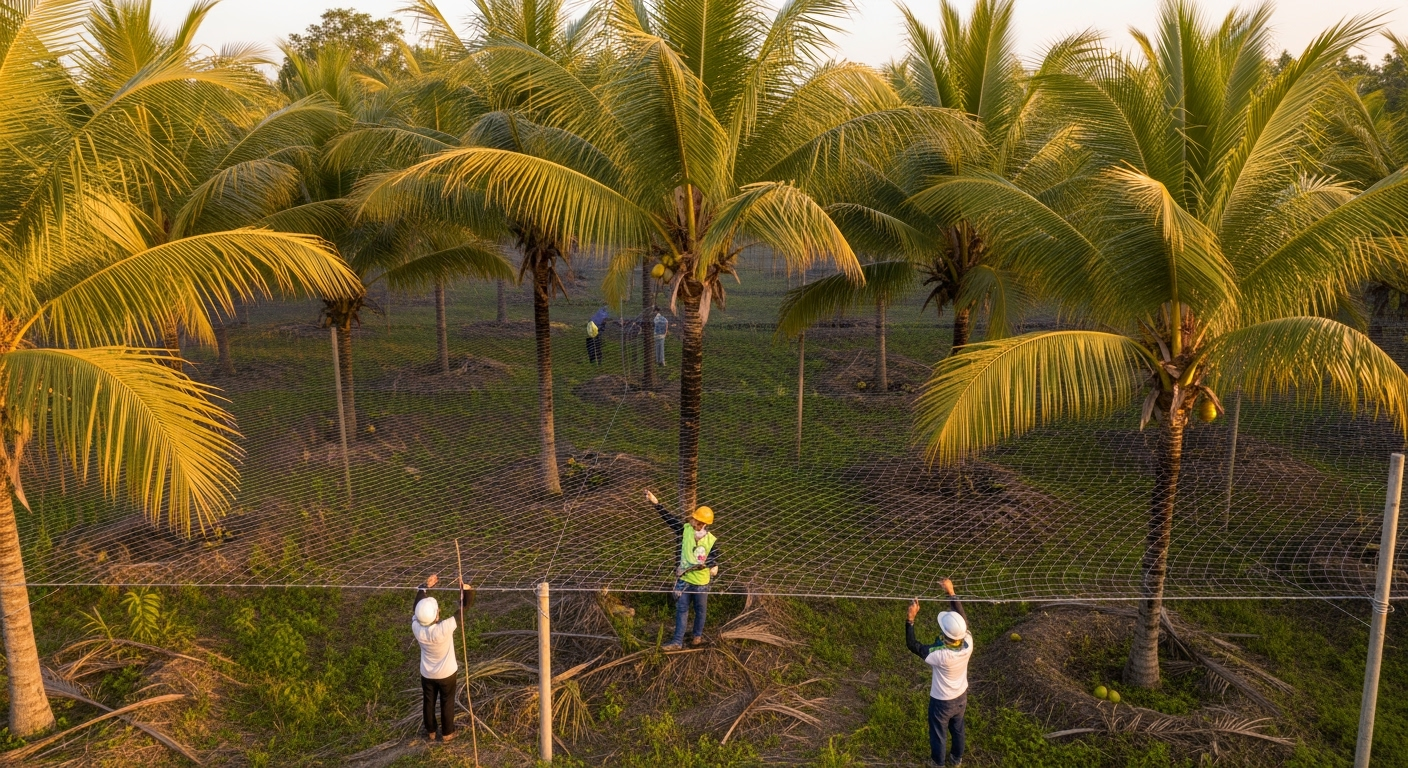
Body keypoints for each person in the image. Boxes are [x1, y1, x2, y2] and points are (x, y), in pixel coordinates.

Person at [906, 577, 972, 767]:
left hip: (942, 702)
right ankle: (956, 759)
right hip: (961, 696)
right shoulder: (968, 643)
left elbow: (913, 645)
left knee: (938, 733)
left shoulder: (940, 655)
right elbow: (963, 620)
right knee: (958, 728)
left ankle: (938, 763)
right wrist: (951, 592)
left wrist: (910, 619)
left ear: (945, 635)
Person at [645, 489, 721, 650]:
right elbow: (669, 519)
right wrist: (656, 503)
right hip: (684, 580)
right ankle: (677, 641)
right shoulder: (684, 529)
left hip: (701, 582)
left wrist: (714, 566)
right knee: (682, 609)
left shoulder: (711, 540)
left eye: (697, 521)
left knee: (700, 610)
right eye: (694, 519)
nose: (693, 522)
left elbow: (714, 557)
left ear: (704, 524)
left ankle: (697, 637)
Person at [414, 574, 474, 743]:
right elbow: (464, 608)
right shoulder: (444, 628)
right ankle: (448, 733)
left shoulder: (416, 627)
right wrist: (467, 591)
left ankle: (431, 731)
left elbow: (417, 610)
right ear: (437, 615)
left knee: (428, 701)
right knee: (447, 702)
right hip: (447, 674)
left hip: (427, 674)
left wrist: (423, 587)